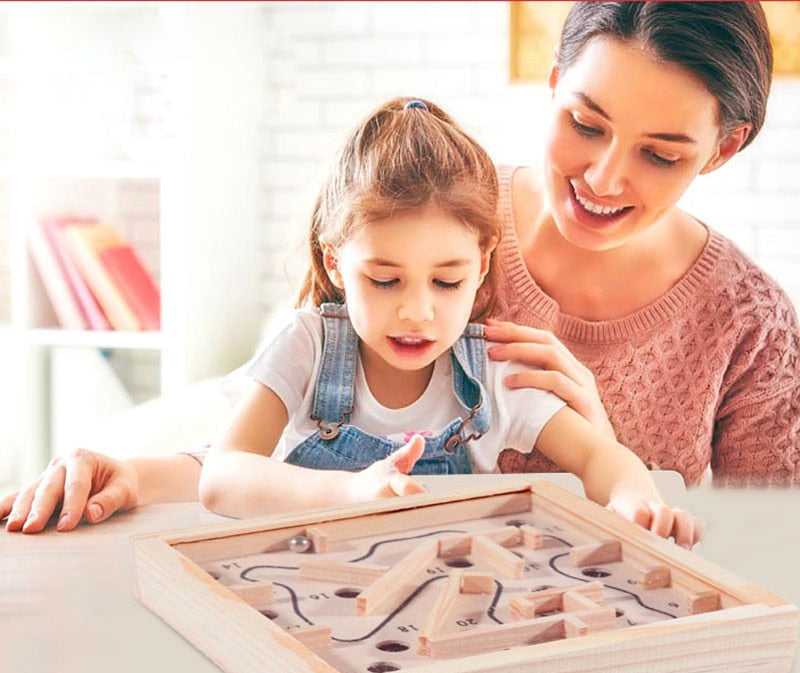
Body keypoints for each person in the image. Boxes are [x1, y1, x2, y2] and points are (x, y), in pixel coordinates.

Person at [3, 1, 797, 536]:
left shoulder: (751, 328)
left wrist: (619, 465)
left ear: (724, 148)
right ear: (555, 85)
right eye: (585, 124)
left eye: (661, 154)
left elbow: (767, 556)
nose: (605, 177)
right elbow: (259, 443)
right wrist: (134, 472)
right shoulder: (437, 213)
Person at [195, 96, 697, 545]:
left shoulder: (494, 372)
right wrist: (351, 492)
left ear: (480, 264)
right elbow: (222, 477)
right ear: (335, 264)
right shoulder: (307, 347)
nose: (417, 312)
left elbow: (598, 456)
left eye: (446, 282)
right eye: (385, 281)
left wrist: (635, 499)